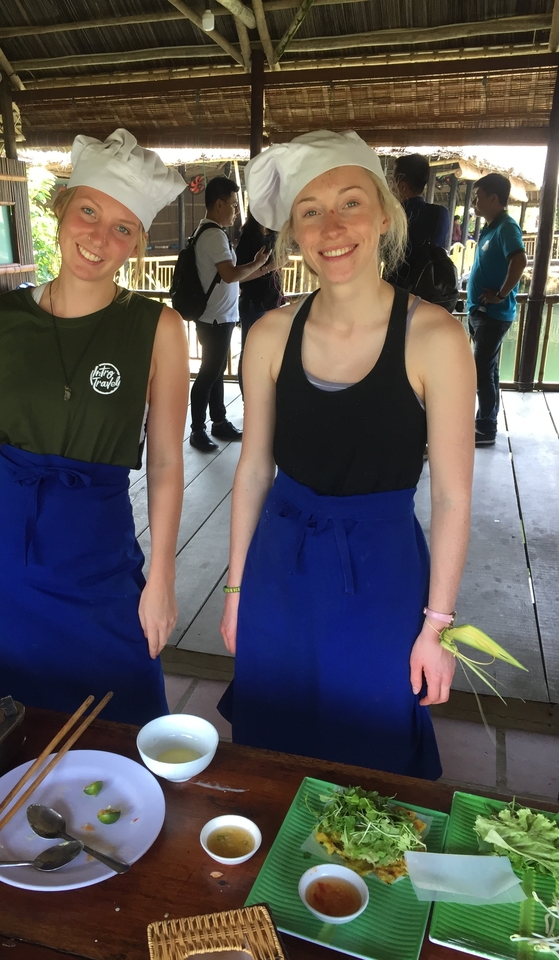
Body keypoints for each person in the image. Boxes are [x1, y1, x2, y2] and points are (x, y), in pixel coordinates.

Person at [218, 130, 475, 779]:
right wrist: (236, 588)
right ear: (294, 233)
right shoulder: (271, 333)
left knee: (372, 740)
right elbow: (252, 472)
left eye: (351, 202)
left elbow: (451, 497)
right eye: (310, 210)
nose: (332, 226)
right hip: (280, 563)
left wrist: (437, 627)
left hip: (381, 573)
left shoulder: (435, 337)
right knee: (273, 737)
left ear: (384, 215)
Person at [0, 129, 188, 725]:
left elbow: (164, 461)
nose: (99, 237)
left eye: (122, 227)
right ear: (60, 209)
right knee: (13, 716)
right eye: (88, 210)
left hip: (97, 547)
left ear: (137, 243)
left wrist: (161, 574)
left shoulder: (156, 327)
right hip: (4, 542)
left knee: (126, 706)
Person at [189, 177, 270, 452]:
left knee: (215, 371)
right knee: (209, 373)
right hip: (215, 317)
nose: (236, 211)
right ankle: (197, 429)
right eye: (233, 205)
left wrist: (262, 268)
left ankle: (219, 420)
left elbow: (233, 277)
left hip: (218, 316)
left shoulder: (210, 232)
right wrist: (256, 263)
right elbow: (231, 274)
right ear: (219, 203)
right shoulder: (213, 235)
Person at [466, 173, 527, 446]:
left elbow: (520, 259)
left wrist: (501, 295)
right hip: (481, 312)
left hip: (493, 315)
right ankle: (486, 423)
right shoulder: (491, 227)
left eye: (479, 197)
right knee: (488, 371)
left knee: (480, 371)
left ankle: (485, 428)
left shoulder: (506, 227)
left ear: (493, 198)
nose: (474, 203)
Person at [235, 212, 283, 394]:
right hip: (253, 302)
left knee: (271, 350)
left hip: (272, 301)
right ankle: (248, 397)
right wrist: (269, 267)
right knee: (249, 351)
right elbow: (239, 278)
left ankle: (267, 393)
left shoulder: (274, 237)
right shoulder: (247, 239)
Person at [388, 153, 451, 288]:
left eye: (393, 180)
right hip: (431, 292)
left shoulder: (394, 216)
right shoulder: (441, 214)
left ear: (402, 186)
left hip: (398, 291)